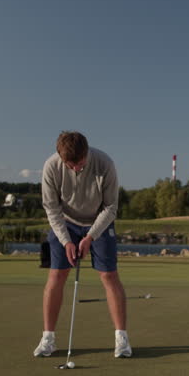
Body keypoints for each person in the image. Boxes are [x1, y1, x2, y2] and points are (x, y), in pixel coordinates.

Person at [33, 130, 132, 358]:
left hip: (99, 220)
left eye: (80, 163)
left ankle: (122, 339)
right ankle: (48, 339)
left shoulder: (105, 163)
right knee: (57, 275)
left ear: (87, 153)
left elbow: (111, 208)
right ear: (60, 157)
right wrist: (66, 241)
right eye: (71, 165)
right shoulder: (51, 167)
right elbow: (51, 208)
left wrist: (90, 237)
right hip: (65, 222)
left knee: (108, 276)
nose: (77, 169)